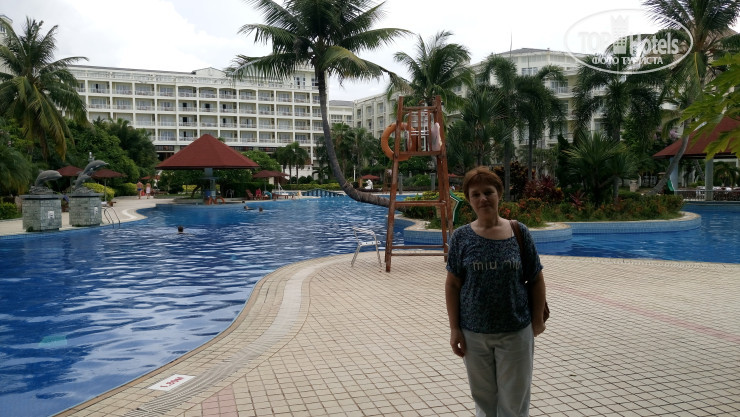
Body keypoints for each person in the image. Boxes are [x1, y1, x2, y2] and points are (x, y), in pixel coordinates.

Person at [445, 166, 547, 417]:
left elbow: (536, 278)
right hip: (474, 333)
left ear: (499, 194)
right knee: (484, 400)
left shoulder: (518, 232)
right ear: (469, 200)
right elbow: (453, 284)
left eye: (488, 192)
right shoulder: (461, 238)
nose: (483, 199)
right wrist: (455, 328)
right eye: (475, 194)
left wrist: (536, 320)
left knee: (514, 402)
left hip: (515, 331)